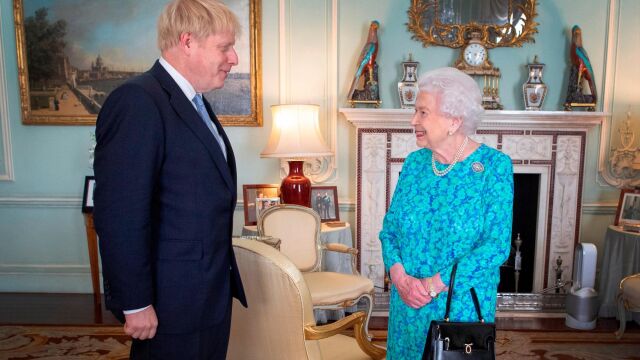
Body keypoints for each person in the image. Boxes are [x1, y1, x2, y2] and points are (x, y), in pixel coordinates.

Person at [92, 1, 246, 359]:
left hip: (206, 295)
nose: (234, 58)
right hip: (170, 303)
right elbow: (120, 215)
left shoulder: (195, 102)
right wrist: (134, 302)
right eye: (225, 47)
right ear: (188, 41)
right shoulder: (138, 101)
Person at [379, 67, 514, 359]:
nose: (413, 120)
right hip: (407, 302)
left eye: (423, 112)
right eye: (415, 111)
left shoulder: (494, 167)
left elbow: (496, 247)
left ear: (454, 120)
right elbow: (389, 230)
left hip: (459, 305)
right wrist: (400, 277)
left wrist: (431, 286)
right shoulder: (415, 164)